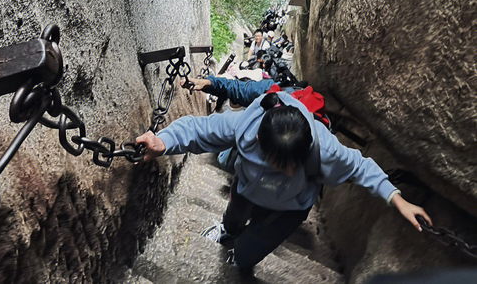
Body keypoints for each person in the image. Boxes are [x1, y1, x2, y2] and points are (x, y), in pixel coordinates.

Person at [136, 84, 432, 274]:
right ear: (262, 146)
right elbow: (200, 129)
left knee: (248, 254)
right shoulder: (245, 127)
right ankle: (227, 230)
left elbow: (360, 166)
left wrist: (398, 199)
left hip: (288, 209)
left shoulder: (323, 147)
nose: (290, 171)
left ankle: (238, 259)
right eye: (281, 164)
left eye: (296, 164)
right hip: (247, 189)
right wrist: (163, 141)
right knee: (234, 217)